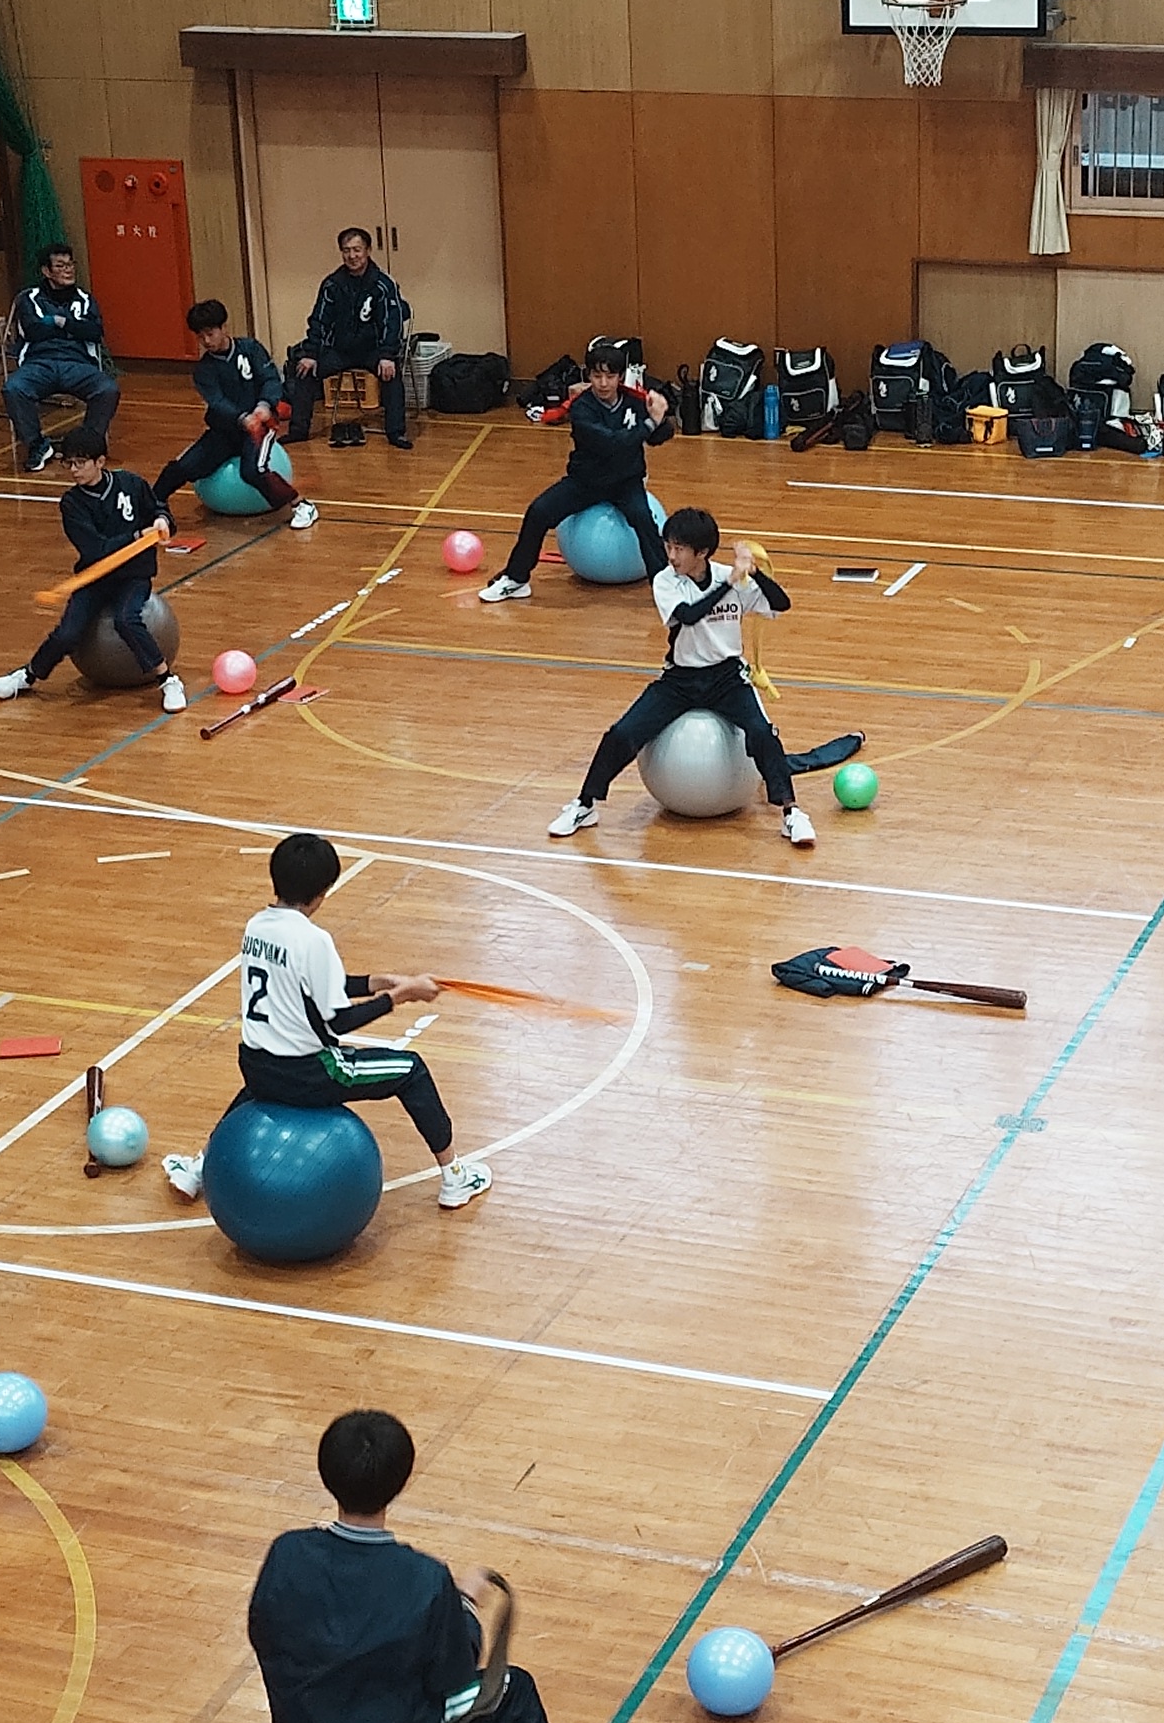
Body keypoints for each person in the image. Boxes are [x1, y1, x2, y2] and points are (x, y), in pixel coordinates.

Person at [247, 1407, 626, 1723]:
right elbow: (455, 1675)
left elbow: (266, 1637)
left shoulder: (286, 1554)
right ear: (401, 1481)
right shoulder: (423, 1579)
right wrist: (462, 1606)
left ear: (327, 1474)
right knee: (514, 1692)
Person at [161, 830, 491, 1212]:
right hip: (310, 1075)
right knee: (411, 1070)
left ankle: (198, 1168)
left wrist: (378, 982)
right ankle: (454, 1177)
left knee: (260, 1086)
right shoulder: (313, 940)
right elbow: (338, 1022)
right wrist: (401, 996)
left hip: (257, 1066)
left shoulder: (256, 926)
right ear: (322, 892)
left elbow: (309, 985)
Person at [546, 507, 812, 849]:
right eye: (668, 546)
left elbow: (782, 603)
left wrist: (754, 573)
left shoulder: (727, 576)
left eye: (679, 549)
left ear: (702, 552)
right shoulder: (667, 580)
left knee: (762, 733)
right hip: (679, 681)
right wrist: (730, 584)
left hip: (727, 679)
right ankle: (584, 805)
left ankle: (791, 813)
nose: (671, 556)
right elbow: (688, 616)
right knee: (621, 734)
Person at [0, 434, 189, 712]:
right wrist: (136, 535)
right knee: (67, 633)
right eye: (68, 463)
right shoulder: (72, 503)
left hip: (133, 576)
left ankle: (167, 680)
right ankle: (28, 675)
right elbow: (96, 549)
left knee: (126, 619)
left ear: (100, 462)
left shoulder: (131, 484)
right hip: (95, 577)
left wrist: (162, 520)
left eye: (80, 463)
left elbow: (159, 509)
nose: (74, 470)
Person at [476, 347, 667, 602]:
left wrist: (660, 416)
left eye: (610, 376)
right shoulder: (582, 407)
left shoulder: (634, 401)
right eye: (597, 376)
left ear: (621, 377)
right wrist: (650, 423)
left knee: (644, 520)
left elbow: (657, 437)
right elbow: (611, 444)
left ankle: (665, 585)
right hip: (585, 483)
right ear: (588, 376)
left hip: (626, 482)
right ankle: (516, 579)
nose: (603, 383)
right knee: (538, 512)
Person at [149, 300, 313, 532]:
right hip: (225, 430)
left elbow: (270, 379)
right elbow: (217, 402)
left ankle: (301, 505)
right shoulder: (204, 370)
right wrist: (242, 418)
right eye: (200, 337)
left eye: (210, 334)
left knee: (253, 470)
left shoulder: (251, 349)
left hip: (260, 428)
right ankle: (153, 504)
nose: (206, 341)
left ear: (224, 328)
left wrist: (264, 405)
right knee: (182, 466)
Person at [287, 226, 413, 450]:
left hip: (374, 351)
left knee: (391, 376)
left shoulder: (383, 284)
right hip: (340, 351)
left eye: (357, 250)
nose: (352, 256)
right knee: (304, 370)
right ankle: (298, 430)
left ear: (368, 251)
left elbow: (392, 323)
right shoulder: (332, 284)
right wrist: (311, 354)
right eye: (346, 251)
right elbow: (319, 320)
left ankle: (396, 432)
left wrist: (387, 355)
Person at [0, 243, 117, 471]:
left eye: (71, 265)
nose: (68, 270)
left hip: (77, 363)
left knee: (107, 390)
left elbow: (94, 332)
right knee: (13, 389)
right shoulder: (30, 298)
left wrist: (58, 321)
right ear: (46, 271)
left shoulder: (85, 299)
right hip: (39, 363)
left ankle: (87, 445)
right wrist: (72, 328)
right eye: (61, 266)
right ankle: (37, 445)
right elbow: (33, 330)